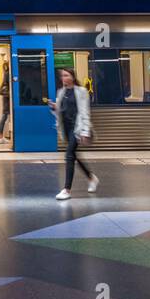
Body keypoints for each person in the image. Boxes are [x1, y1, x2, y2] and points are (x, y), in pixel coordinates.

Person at [47, 67, 98, 200]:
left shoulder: (82, 91)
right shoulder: (61, 92)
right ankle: (91, 178)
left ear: (73, 77)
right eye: (62, 76)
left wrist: (85, 131)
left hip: (78, 128)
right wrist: (54, 107)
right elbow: (61, 111)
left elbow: (85, 112)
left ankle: (66, 190)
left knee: (69, 155)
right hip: (67, 128)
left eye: (66, 75)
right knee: (74, 155)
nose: (63, 78)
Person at [0, 59, 12, 145]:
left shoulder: (6, 72)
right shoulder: (8, 73)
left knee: (4, 116)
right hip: (7, 98)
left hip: (7, 97)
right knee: (4, 116)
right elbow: (5, 85)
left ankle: (1, 137)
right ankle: (0, 137)